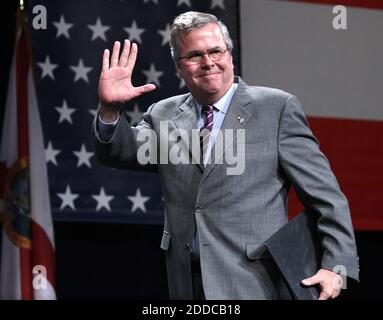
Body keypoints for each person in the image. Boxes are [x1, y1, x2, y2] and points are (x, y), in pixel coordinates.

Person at [93, 11, 359, 299]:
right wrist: (109, 110)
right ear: (179, 67)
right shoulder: (163, 114)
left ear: (229, 55)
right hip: (187, 283)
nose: (208, 62)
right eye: (195, 55)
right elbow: (118, 152)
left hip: (256, 283)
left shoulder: (276, 108)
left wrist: (336, 266)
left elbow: (327, 197)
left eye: (216, 51)